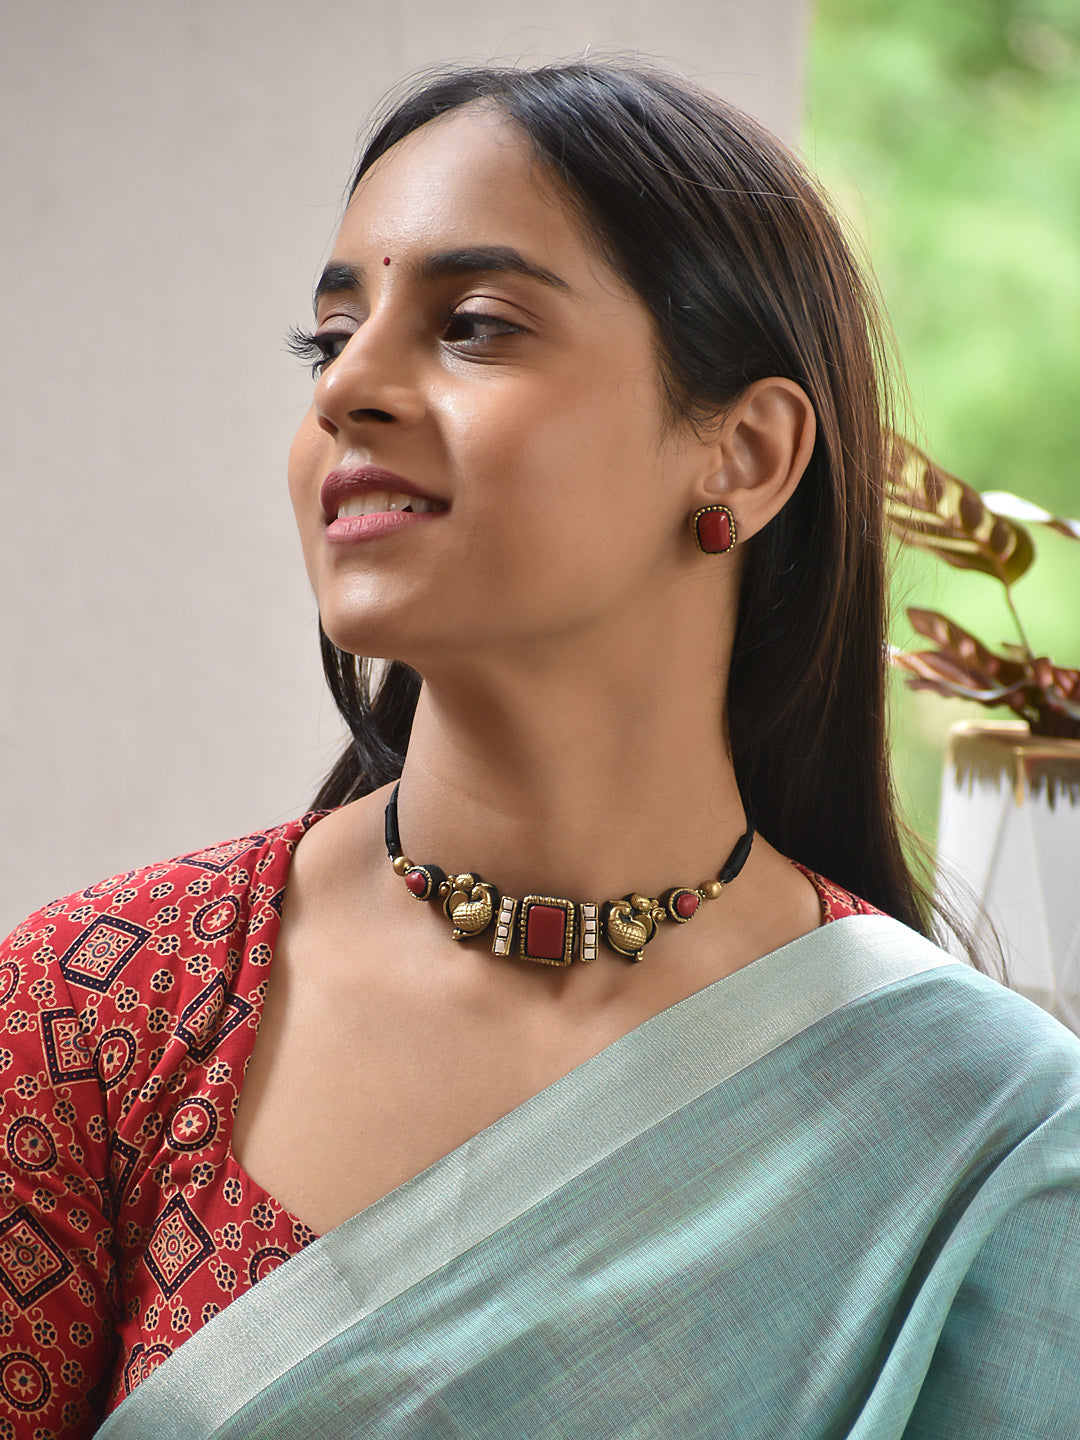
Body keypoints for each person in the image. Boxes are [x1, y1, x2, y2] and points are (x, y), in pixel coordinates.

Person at [1, 58, 1078, 1440]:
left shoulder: (972, 1131)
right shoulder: (108, 1013)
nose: (351, 392)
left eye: (477, 325)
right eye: (329, 340)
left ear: (743, 454)